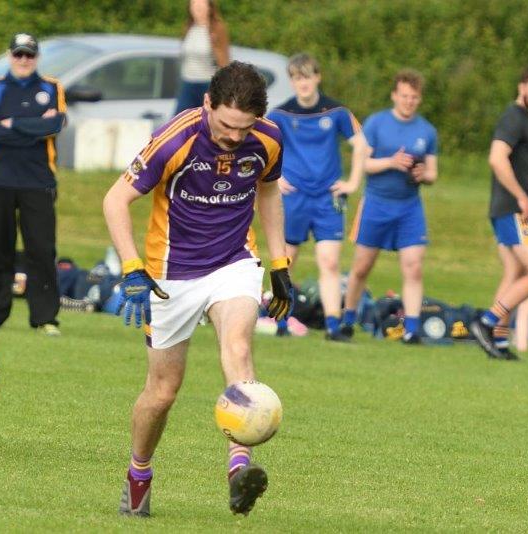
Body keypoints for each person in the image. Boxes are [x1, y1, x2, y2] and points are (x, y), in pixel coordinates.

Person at [104, 62, 291, 517]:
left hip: (234, 262)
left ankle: (238, 470)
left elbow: (267, 192)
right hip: (171, 275)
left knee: (238, 347)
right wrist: (131, 268)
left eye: (242, 128)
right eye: (226, 125)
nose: (233, 136)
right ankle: (139, 474)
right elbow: (115, 200)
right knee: (163, 392)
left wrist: (280, 263)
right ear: (207, 103)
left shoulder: (267, 138)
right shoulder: (177, 137)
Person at [266, 53, 366, 340]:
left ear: (317, 77)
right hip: (294, 197)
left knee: (330, 262)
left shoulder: (336, 112)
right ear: (292, 81)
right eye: (297, 78)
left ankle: (333, 325)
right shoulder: (282, 114)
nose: (303, 83)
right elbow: (260, 145)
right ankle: (280, 319)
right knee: (286, 260)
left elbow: (361, 145)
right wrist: (275, 177)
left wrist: (353, 182)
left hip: (327, 199)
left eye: (307, 76)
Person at [0, 33, 67, 336]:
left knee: (40, 249)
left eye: (29, 55)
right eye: (18, 55)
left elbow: (54, 125)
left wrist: (12, 123)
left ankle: (45, 318)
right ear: (9, 56)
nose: (24, 60)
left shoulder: (51, 87)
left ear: (37, 58)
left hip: (38, 179)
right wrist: (33, 126)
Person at [340, 70, 437, 344]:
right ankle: (348, 319)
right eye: (404, 96)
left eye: (414, 97)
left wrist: (422, 175)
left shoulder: (426, 130)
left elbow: (433, 173)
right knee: (361, 267)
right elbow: (364, 164)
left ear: (419, 99)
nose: (409, 101)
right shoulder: (376, 123)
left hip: (409, 208)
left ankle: (412, 330)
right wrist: (391, 162)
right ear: (395, 95)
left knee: (414, 266)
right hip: (376, 205)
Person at [470, 65, 528, 361]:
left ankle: (499, 341)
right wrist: (522, 198)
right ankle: (487, 322)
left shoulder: (524, 119)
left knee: (515, 273)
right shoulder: (514, 117)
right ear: (522, 87)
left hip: (514, 210)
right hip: (517, 211)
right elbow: (496, 157)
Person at [174, 0, 229, 114]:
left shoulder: (216, 28)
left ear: (209, 7)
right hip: (188, 81)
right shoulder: (189, 27)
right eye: (194, 4)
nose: (197, 7)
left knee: (208, 120)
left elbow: (224, 59)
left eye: (201, 4)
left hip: (207, 83)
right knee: (180, 119)